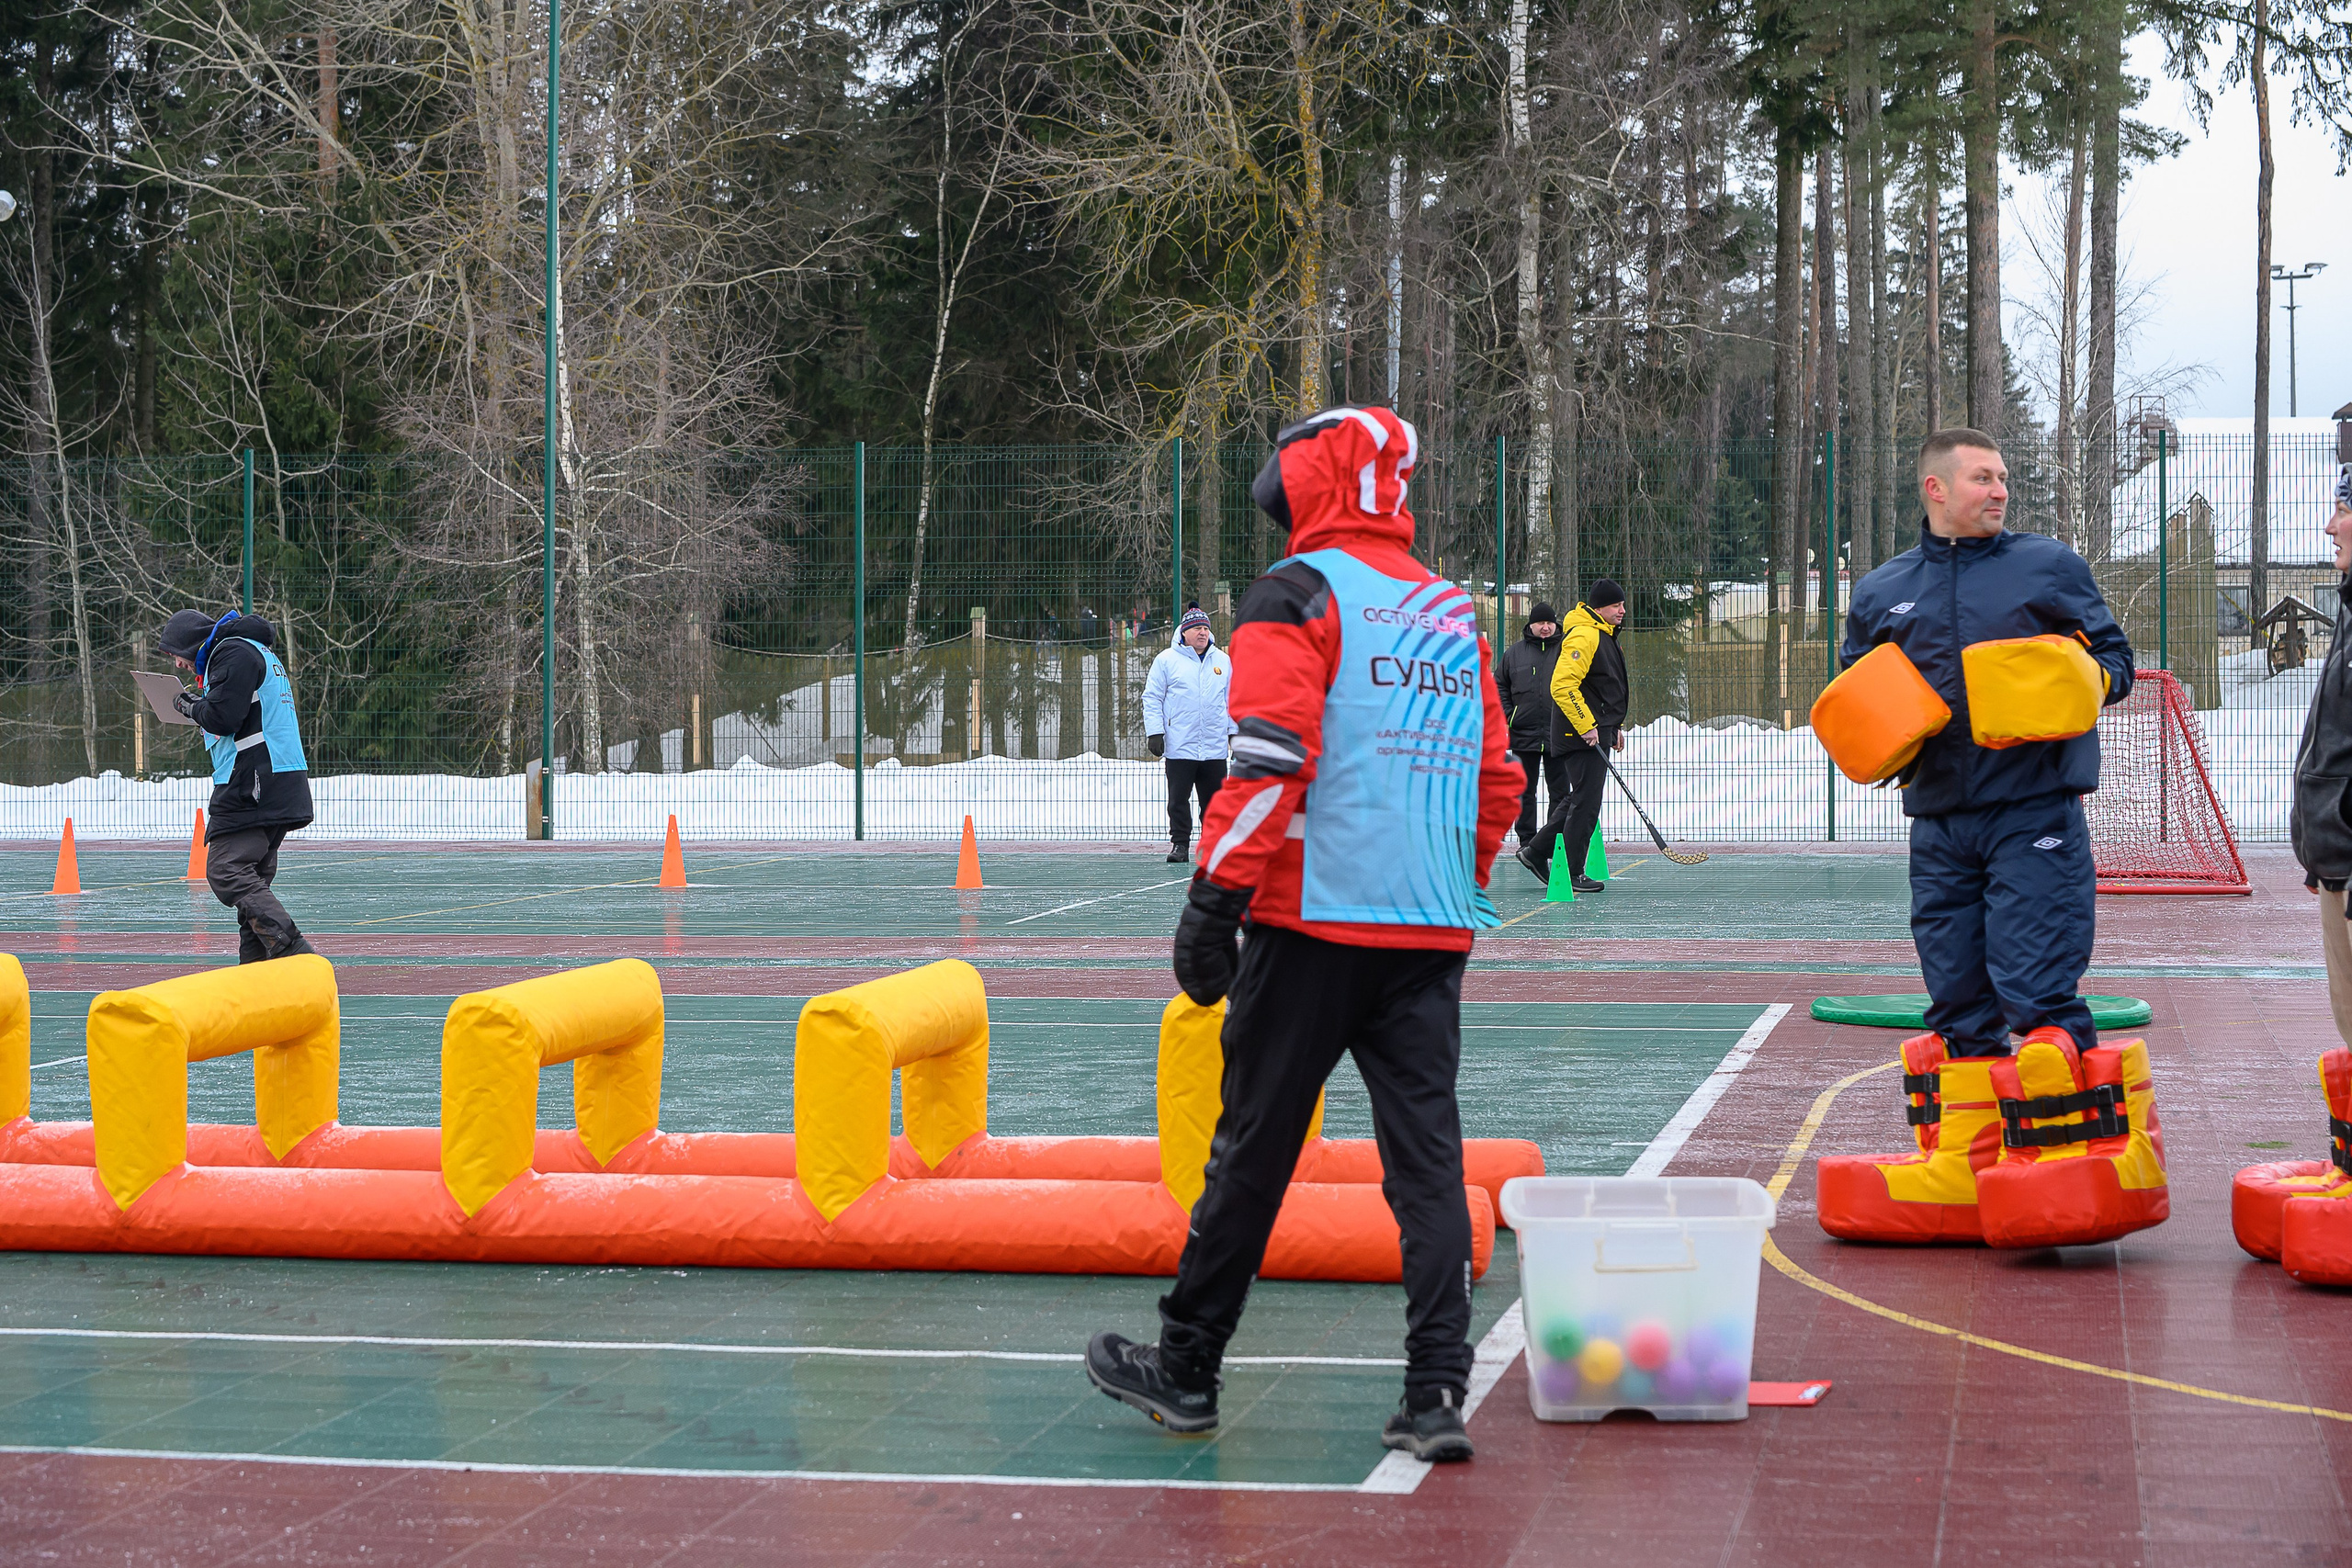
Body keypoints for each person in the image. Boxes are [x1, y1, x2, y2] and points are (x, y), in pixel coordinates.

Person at [1083, 404, 1523, 1463]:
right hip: (1429, 932)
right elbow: (1499, 779)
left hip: (1312, 924)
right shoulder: (1449, 613)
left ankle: (1188, 1367)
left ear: (1304, 484)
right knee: (1427, 1165)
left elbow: (1271, 760)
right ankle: (1435, 1391)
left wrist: (1212, 903)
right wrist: (1450, 884)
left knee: (1252, 1153)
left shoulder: (1296, 593)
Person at [1814, 428, 2143, 1246]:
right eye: (1982, 478)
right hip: (1938, 821)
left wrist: (2079, 680)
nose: (1999, 491)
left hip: (2035, 811)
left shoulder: (2048, 566)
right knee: (1957, 997)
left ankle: (2073, 1169)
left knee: (2038, 992)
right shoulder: (1883, 590)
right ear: (1936, 489)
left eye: (2002, 478)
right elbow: (1859, 685)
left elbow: (2118, 661)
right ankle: (1968, 1171)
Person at [158, 608, 318, 964]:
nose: (178, 664)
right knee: (253, 883)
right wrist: (203, 703)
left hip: (254, 781)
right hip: (277, 777)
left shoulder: (231, 652)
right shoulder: (252, 649)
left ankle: (293, 950)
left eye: (176, 654)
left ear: (192, 643)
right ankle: (257, 974)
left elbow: (224, 717)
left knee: (225, 869)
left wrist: (189, 705)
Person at [1513, 580, 1627, 894]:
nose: (1622, 610)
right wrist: (1587, 725)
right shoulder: (1585, 635)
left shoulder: (1603, 634)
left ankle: (1536, 851)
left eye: (1622, 604)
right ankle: (1573, 870)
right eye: (1616, 605)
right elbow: (1562, 685)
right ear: (1599, 608)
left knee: (1580, 798)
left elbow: (1602, 688)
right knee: (1585, 803)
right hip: (1579, 733)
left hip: (1594, 730)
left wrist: (1612, 726)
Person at [2294, 481, 2352, 1044]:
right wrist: (2321, 849)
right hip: (2337, 864)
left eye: (2342, 510)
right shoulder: (2349, 610)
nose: (2330, 527)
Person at [1142, 604, 1233, 863]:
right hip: (1180, 745)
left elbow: (1233, 700)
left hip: (1214, 747)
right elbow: (1152, 697)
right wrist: (1155, 732)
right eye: (1197, 628)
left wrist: (1234, 733)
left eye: (1205, 628)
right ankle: (1180, 844)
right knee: (1178, 800)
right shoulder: (1166, 660)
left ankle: (1212, 845)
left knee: (1214, 802)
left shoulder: (1223, 661)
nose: (1203, 632)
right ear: (1184, 632)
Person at [1494, 602, 1566, 844]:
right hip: (1523, 735)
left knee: (1560, 793)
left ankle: (1553, 841)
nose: (1545, 627)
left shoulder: (1566, 651)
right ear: (1531, 625)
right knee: (1524, 791)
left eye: (1549, 623)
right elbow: (1499, 685)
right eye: (1540, 623)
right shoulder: (1514, 654)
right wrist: (1510, 715)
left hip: (1559, 734)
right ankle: (1527, 842)